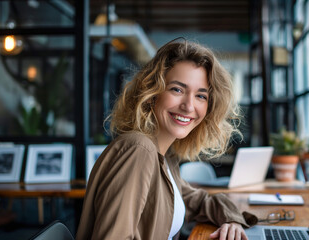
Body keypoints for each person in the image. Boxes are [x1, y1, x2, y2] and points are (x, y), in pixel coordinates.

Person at [76, 38, 257, 240]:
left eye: (201, 96)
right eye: (177, 89)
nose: (189, 106)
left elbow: (199, 201)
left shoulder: (164, 156)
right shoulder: (139, 150)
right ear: (152, 93)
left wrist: (232, 221)